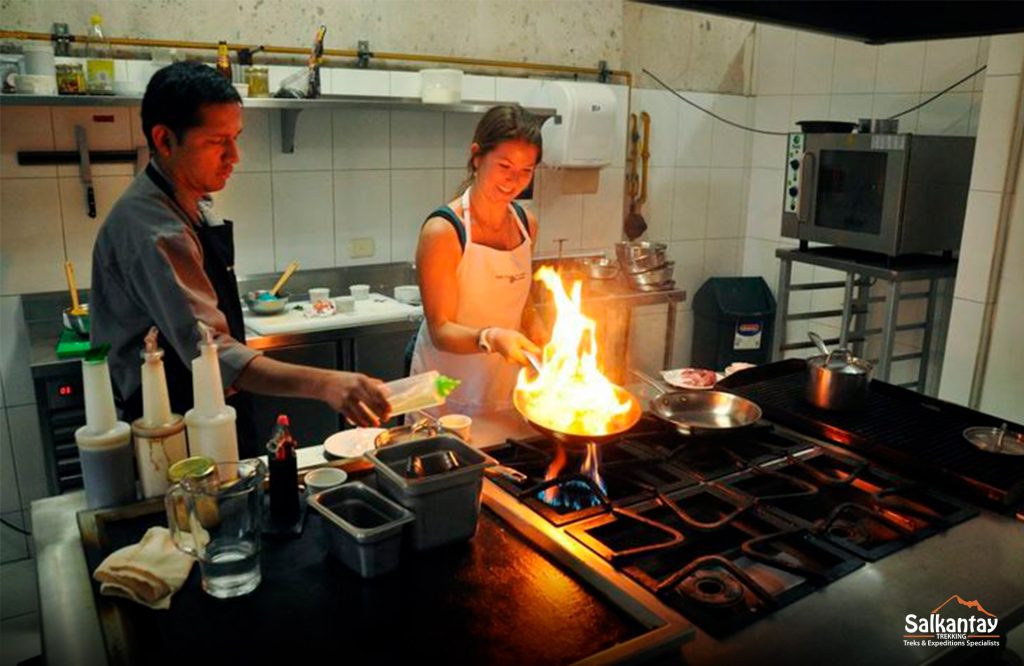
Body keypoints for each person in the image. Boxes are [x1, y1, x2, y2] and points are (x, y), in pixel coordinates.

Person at [91, 62, 389, 456]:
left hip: (207, 404)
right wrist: (326, 383)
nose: (234, 155)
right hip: (171, 427)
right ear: (164, 140)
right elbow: (208, 349)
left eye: (236, 138)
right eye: (218, 142)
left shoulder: (189, 202)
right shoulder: (155, 229)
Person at [409, 105, 546, 417]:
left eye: (526, 171)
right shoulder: (444, 230)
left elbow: (521, 302)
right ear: (476, 156)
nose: (513, 181)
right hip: (444, 389)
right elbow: (441, 329)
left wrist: (536, 327)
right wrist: (492, 337)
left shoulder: (528, 225)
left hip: (502, 386)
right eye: (504, 166)